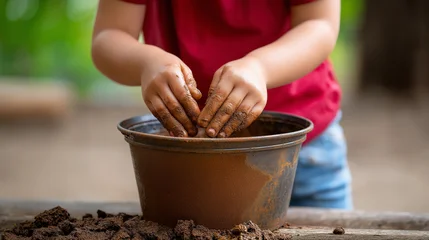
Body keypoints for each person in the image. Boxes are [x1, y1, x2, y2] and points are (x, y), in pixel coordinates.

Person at [91, 0, 352, 209]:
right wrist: (145, 62)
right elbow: (108, 36)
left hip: (303, 148)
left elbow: (319, 23)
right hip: (190, 150)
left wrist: (260, 67)